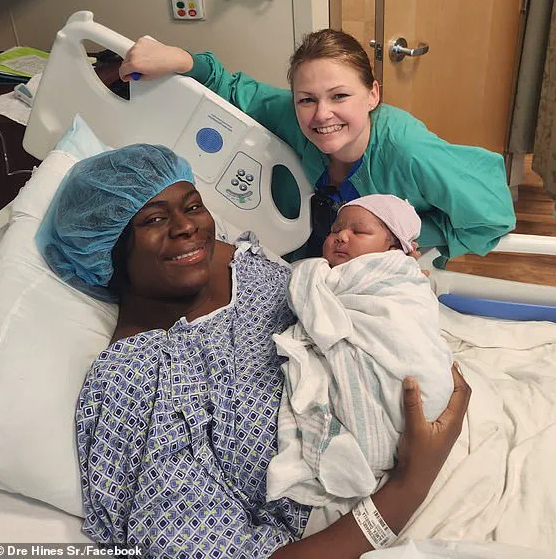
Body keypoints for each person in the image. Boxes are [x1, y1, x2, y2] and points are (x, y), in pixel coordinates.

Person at [36, 144, 470, 559]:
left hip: (443, 411)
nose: (187, 227)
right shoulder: (136, 382)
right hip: (382, 503)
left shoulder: (234, 258)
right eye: (153, 219)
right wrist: (411, 484)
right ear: (109, 248)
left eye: (193, 206)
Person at [118, 29, 516, 263]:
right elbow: (230, 87)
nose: (322, 114)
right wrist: (178, 59)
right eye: (307, 99)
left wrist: (401, 237)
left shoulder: (407, 152)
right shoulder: (293, 116)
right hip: (308, 257)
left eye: (340, 96)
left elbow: (491, 218)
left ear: (373, 94)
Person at [267, 194, 454, 511]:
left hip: (415, 369)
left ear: (393, 247)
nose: (341, 236)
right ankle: (370, 440)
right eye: (335, 230)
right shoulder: (333, 273)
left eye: (359, 231)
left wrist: (311, 275)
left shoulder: (395, 273)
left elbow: (407, 322)